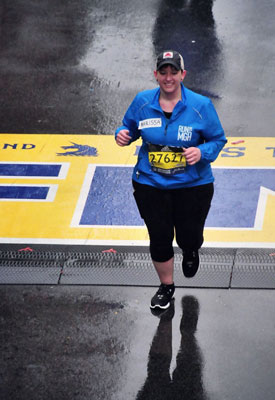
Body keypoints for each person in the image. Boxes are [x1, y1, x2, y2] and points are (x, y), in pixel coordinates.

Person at [115, 50, 227, 310]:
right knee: (159, 236)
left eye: (173, 72)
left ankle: (190, 250)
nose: (168, 77)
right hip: (150, 184)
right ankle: (167, 286)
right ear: (156, 75)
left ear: (182, 75)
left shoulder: (201, 106)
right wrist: (122, 134)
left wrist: (201, 152)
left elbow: (218, 140)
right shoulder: (142, 101)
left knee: (189, 235)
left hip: (193, 187)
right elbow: (128, 127)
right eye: (163, 72)